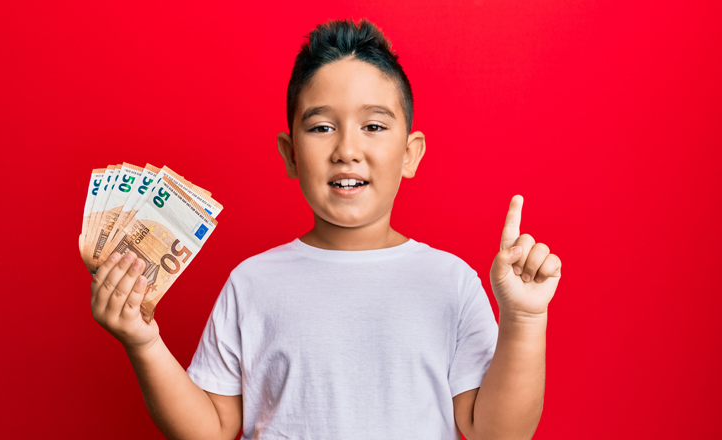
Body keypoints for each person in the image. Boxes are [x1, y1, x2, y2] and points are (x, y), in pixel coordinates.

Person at [90, 18, 562, 440]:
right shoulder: (252, 283)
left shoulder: (451, 282)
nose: (347, 150)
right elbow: (210, 428)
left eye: (374, 126)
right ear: (291, 154)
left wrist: (524, 320)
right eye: (321, 128)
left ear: (411, 153)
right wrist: (144, 342)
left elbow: (498, 434)